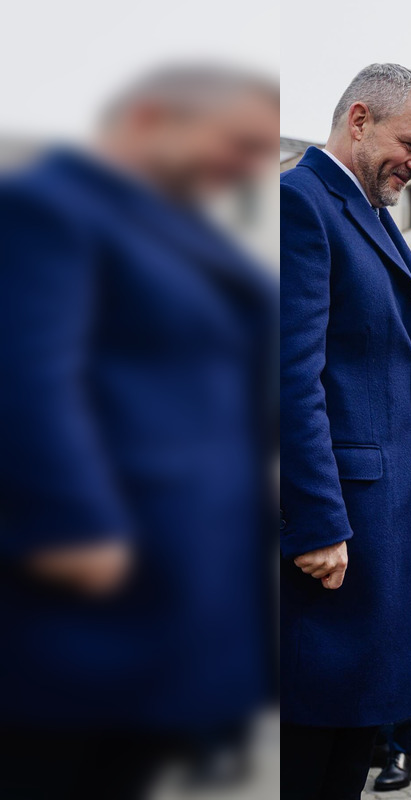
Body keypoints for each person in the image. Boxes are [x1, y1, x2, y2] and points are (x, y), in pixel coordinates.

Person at [0, 66, 279, 799]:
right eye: (239, 143)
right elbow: (26, 376)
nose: (247, 167)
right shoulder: (46, 208)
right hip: (84, 594)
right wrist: (71, 527)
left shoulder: (177, 233)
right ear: (154, 119)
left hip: (171, 602)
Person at [279, 63, 411, 800]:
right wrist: (315, 520)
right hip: (333, 532)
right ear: (358, 120)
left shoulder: (370, 216)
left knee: (350, 738)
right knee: (307, 747)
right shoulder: (298, 203)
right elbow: (289, 376)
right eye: (410, 145)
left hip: (376, 527)